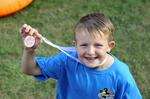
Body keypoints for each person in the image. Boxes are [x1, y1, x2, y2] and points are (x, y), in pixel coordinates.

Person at [20, 12, 142, 99]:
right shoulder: (66, 61)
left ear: (110, 46)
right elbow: (30, 69)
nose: (90, 51)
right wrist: (29, 50)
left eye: (98, 45)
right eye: (84, 45)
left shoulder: (121, 74)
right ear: (75, 45)